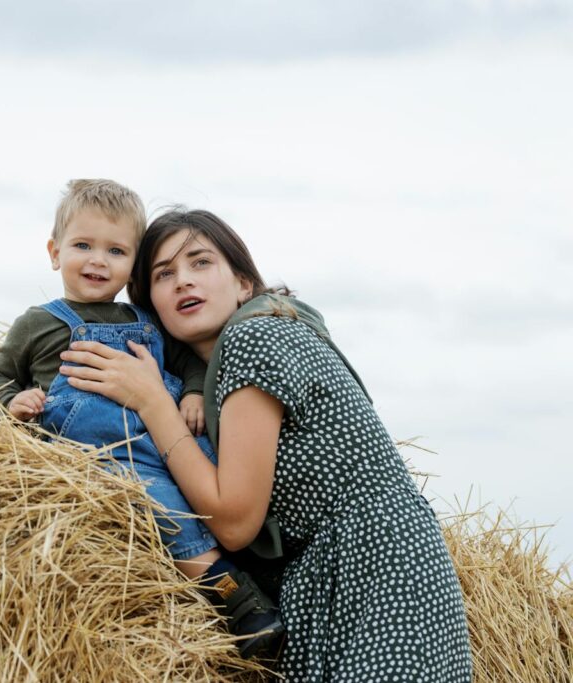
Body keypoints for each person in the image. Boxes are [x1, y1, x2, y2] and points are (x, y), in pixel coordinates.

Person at [57, 209, 473, 680]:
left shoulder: (254, 336)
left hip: (375, 568)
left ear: (244, 284)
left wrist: (153, 403)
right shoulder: (220, 370)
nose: (182, 282)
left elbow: (233, 520)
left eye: (200, 263)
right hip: (331, 580)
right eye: (163, 273)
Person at [0, 182, 283, 657]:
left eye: (117, 250)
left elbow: (186, 364)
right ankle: (238, 600)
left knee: (220, 486)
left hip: (167, 438)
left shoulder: (145, 317)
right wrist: (14, 402)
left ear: (133, 263)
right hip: (110, 455)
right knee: (166, 513)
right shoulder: (36, 323)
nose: (98, 260)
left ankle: (262, 565)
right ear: (54, 251)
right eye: (83, 246)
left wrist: (188, 393)